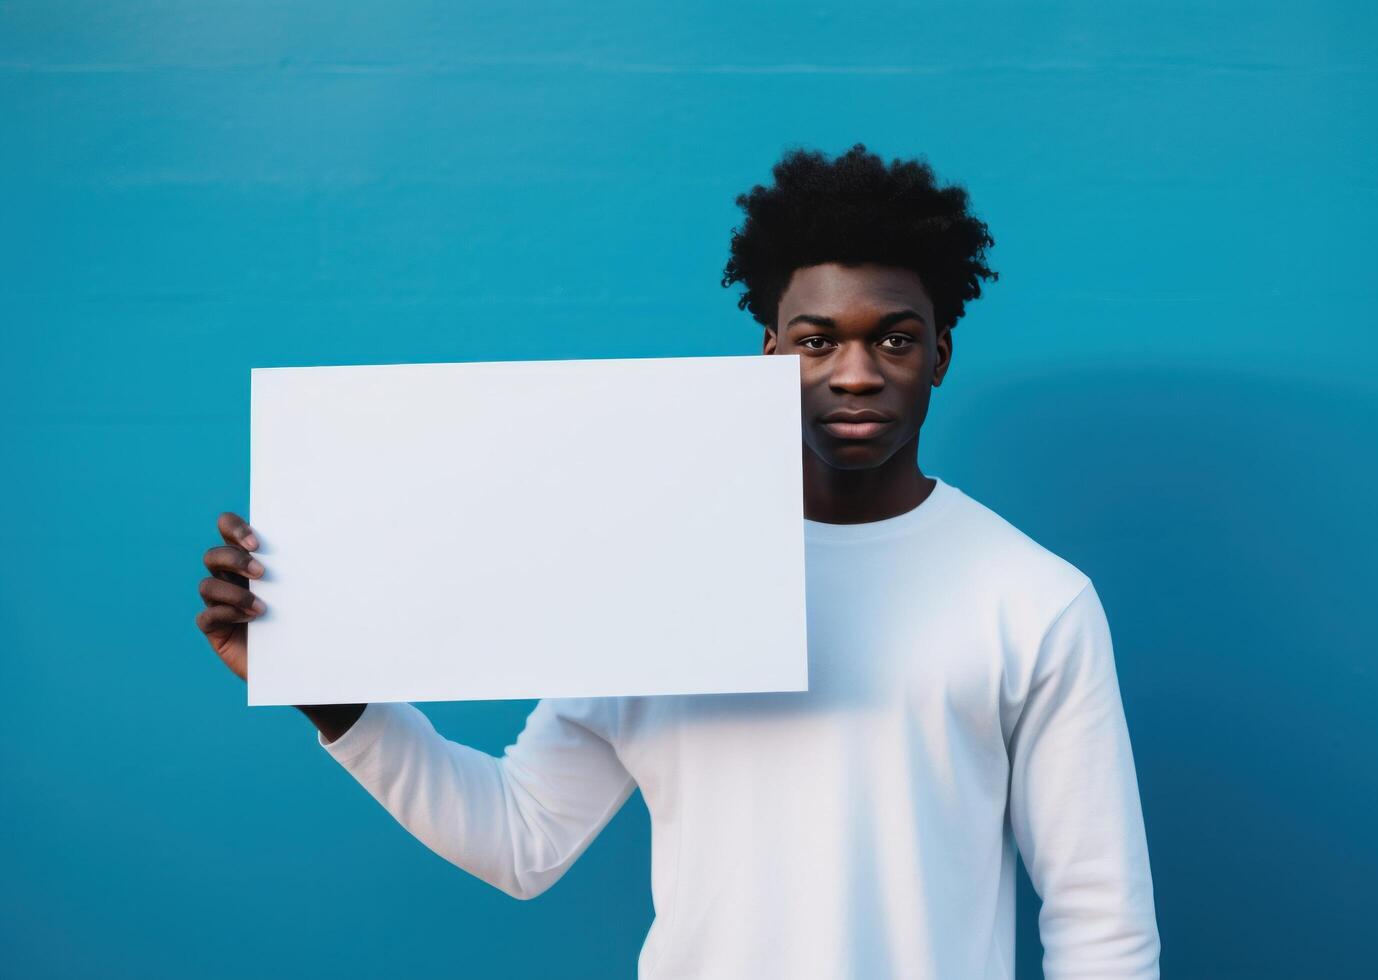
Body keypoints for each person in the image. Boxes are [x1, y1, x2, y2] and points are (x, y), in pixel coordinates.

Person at [195, 143, 1161, 979]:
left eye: (894, 340)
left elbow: (1100, 920)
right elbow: (522, 838)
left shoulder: (1034, 601)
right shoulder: (655, 569)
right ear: (769, 352)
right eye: (817, 340)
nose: (855, 372)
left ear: (940, 354)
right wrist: (334, 699)